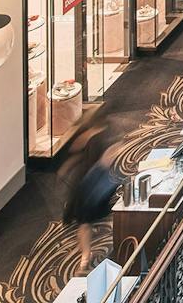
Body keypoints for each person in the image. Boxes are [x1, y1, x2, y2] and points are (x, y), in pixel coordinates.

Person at [61, 115, 118, 270]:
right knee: (87, 221)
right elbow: (104, 158)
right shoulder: (97, 136)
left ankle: (86, 255)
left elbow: (77, 150)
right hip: (89, 185)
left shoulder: (94, 137)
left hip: (90, 184)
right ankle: (87, 254)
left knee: (85, 222)